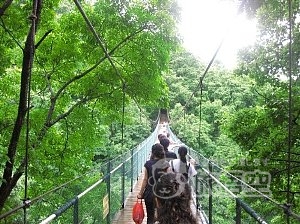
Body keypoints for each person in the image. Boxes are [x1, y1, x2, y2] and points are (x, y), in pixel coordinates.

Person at [137, 143, 170, 224]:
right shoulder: (166, 164)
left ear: (152, 152)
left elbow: (145, 180)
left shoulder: (148, 164)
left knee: (150, 217)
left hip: (149, 193)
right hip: (163, 193)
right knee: (163, 216)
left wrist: (140, 193)